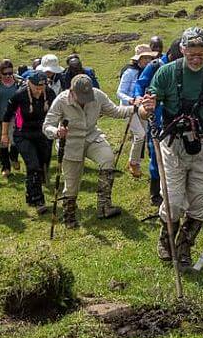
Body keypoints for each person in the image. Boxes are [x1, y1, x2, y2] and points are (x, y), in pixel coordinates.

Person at [147, 27, 203, 268]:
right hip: (173, 142)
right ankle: (167, 241)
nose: (196, 58)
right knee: (173, 200)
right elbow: (149, 104)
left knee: (201, 200)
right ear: (182, 50)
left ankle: (185, 246)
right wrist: (148, 106)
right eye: (191, 54)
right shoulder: (165, 73)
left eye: (201, 54)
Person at [43, 74, 154, 228]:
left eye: (86, 96)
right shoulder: (61, 100)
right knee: (72, 182)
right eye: (81, 96)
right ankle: (69, 215)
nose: (84, 99)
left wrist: (135, 108)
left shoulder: (97, 95)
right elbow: (47, 125)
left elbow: (115, 111)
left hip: (91, 137)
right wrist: (56, 132)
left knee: (108, 159)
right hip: (70, 143)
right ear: (71, 91)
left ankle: (104, 206)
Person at [134, 39, 182, 206]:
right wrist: (140, 100)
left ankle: (173, 188)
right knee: (155, 153)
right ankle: (155, 193)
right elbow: (140, 84)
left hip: (176, 114)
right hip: (157, 114)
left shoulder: (183, 68)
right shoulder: (155, 66)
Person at [1, 73, 56, 213]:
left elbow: (57, 112)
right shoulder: (19, 95)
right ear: (30, 83)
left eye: (42, 87)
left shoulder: (49, 93)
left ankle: (31, 195)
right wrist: (4, 135)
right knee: (33, 165)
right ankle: (38, 200)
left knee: (43, 162)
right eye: (36, 87)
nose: (39, 90)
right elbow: (7, 116)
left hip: (43, 133)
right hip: (23, 134)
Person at [116, 44, 157, 178]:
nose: (147, 61)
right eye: (145, 58)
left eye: (149, 58)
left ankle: (135, 162)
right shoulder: (129, 72)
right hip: (128, 108)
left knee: (143, 133)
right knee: (140, 135)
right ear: (138, 59)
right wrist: (131, 100)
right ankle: (133, 163)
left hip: (141, 107)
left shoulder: (148, 72)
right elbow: (120, 93)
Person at [0, 59, 22, 177]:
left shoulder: (18, 80)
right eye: (5, 73)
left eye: (10, 73)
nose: (8, 76)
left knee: (15, 139)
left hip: (14, 116)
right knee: (1, 142)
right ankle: (5, 167)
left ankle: (13, 157)